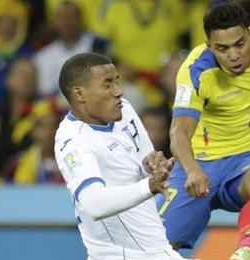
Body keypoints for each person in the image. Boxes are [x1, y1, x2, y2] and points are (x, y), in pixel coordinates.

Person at [159, 2, 250, 259]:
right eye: (222, 49)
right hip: (200, 166)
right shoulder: (195, 71)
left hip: (246, 158)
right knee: (156, 248)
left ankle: (245, 251)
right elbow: (179, 133)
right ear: (209, 46)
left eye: (240, 44)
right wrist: (193, 170)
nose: (234, 55)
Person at [53, 52, 184, 259]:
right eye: (107, 84)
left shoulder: (124, 111)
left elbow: (143, 161)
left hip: (155, 249)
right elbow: (92, 204)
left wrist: (154, 166)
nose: (118, 91)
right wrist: (149, 185)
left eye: (117, 81)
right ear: (79, 94)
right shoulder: (73, 141)